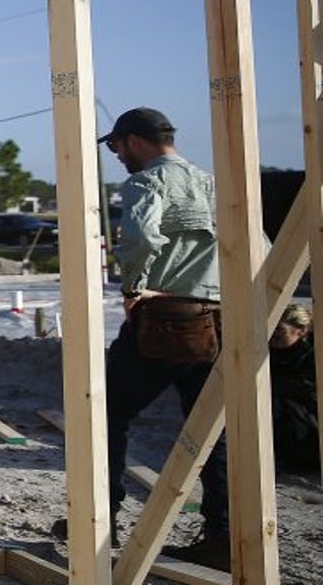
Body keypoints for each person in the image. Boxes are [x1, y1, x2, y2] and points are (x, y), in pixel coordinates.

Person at [97, 107, 229, 569]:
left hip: (167, 318)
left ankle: (102, 520)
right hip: (217, 317)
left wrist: (134, 288)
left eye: (115, 146)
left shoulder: (146, 183)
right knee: (211, 427)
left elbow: (138, 237)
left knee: (105, 414)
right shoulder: (212, 181)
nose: (116, 156)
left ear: (134, 141)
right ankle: (223, 535)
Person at [269, 304, 318, 473]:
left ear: (301, 331)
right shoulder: (266, 352)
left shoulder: (311, 357)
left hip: (301, 420)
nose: (273, 334)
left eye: (279, 330)